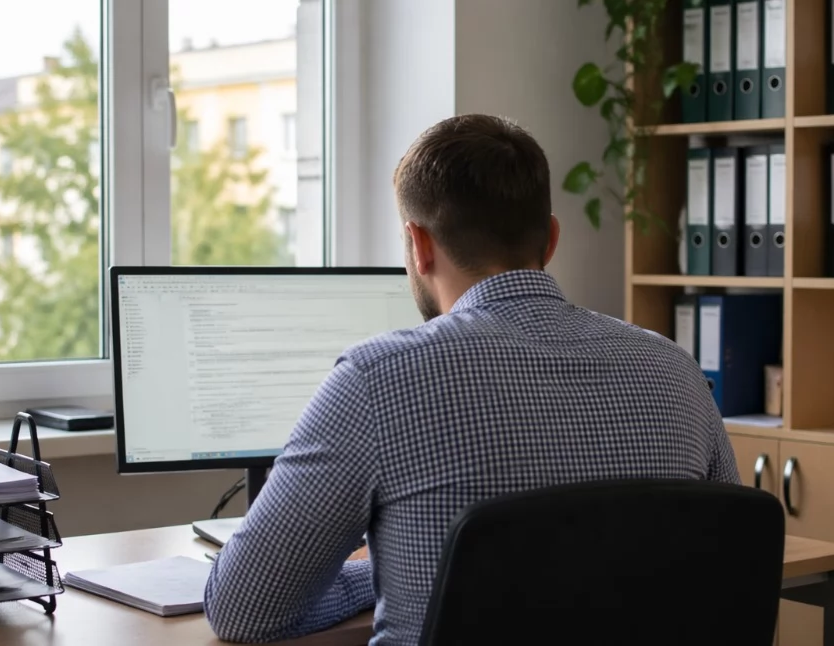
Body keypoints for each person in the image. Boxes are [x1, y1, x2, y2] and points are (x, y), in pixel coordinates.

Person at [203, 114, 741, 645]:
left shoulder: (377, 379)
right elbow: (726, 566)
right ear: (550, 240)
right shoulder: (677, 370)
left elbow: (244, 610)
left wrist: (378, 574)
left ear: (419, 245)